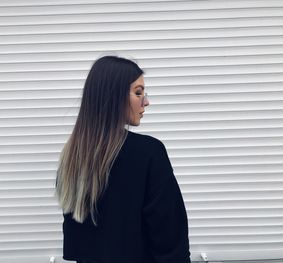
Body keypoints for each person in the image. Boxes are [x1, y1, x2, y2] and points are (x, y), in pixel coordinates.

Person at [56, 55, 191, 263]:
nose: (146, 101)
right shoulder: (149, 152)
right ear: (114, 96)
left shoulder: (72, 157)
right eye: (138, 92)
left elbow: (76, 245)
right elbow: (170, 239)